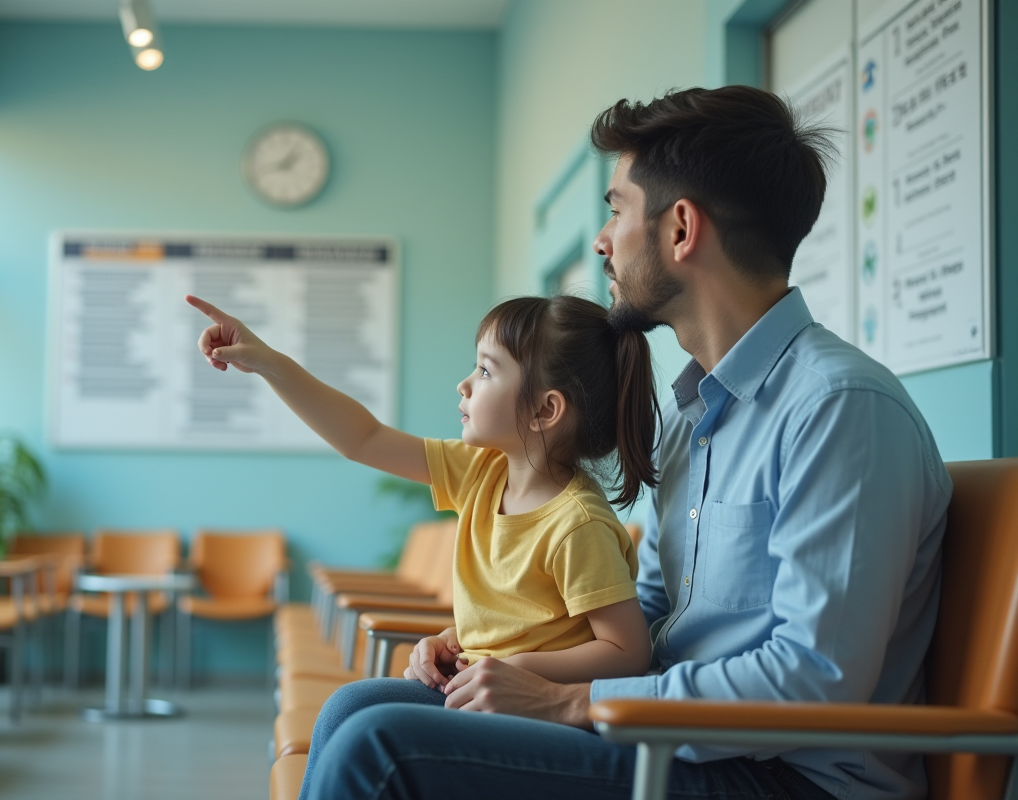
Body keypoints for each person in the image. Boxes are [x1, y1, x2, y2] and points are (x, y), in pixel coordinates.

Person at [297, 86, 952, 800]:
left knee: (381, 746)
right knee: (358, 707)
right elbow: (644, 616)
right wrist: (498, 659)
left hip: (784, 777)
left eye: (615, 209)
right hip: (667, 737)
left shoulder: (837, 410)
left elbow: (813, 679)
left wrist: (570, 704)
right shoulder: (696, 413)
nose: (603, 241)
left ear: (679, 230)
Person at [184, 293, 664, 788]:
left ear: (545, 410)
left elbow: (628, 651)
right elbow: (362, 438)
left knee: (370, 731)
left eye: (485, 371)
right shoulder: (482, 472)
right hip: (479, 689)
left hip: (535, 711)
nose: (464, 383)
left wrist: (517, 667)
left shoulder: (578, 524)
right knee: (349, 704)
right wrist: (268, 362)